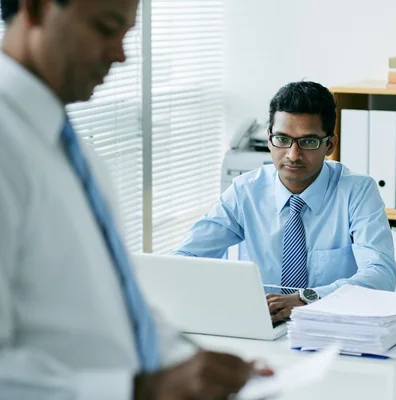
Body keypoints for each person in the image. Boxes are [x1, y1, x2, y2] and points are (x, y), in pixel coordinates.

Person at [0, 0, 270, 399]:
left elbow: (114, 303)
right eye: (106, 28)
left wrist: (190, 362)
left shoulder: (75, 152)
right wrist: (141, 389)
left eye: (126, 34)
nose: (121, 54)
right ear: (37, 9)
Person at [174, 81, 396, 322]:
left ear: (330, 145)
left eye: (308, 142)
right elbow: (186, 257)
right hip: (265, 324)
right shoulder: (245, 191)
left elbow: (380, 275)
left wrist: (306, 298)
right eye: (282, 139)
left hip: (333, 325)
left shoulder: (357, 191)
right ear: (269, 139)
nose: (293, 154)